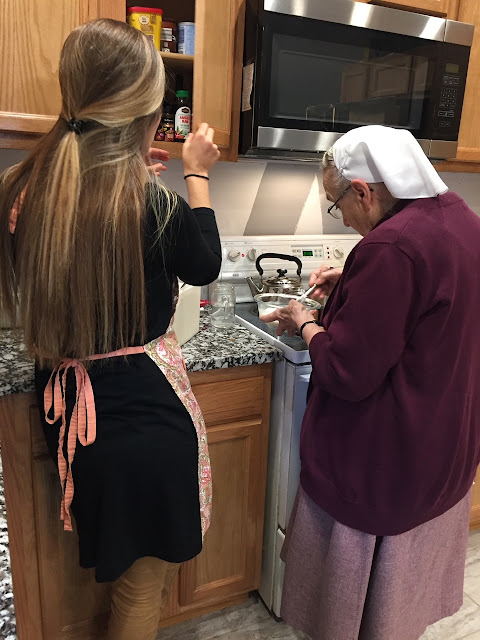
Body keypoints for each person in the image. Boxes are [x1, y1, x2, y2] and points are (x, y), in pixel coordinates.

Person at [0, 19, 221, 640]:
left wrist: (125, 175)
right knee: (141, 592)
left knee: (124, 575)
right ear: (147, 113)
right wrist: (196, 175)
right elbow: (205, 263)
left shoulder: (21, 190)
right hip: (144, 423)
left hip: (75, 417)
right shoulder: (155, 204)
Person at [260, 125, 480, 640]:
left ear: (363, 190)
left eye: (336, 204)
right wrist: (355, 280)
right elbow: (430, 300)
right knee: (397, 614)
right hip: (440, 450)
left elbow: (346, 370)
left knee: (352, 621)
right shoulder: (461, 219)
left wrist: (305, 322)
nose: (341, 218)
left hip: (382, 459)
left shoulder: (391, 247)